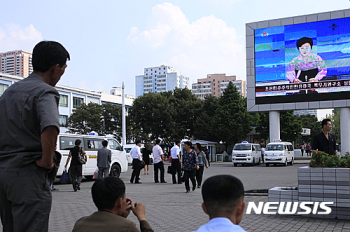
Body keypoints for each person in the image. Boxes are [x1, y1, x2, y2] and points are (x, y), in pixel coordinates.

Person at [0, 41, 69, 232]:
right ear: (55, 68)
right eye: (63, 69)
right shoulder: (45, 91)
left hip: (4, 174)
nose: (62, 74)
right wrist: (47, 161)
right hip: (28, 175)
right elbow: (50, 127)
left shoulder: (8, 93)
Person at [72, 177, 154, 232]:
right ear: (119, 202)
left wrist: (119, 217)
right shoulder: (128, 227)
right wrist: (142, 217)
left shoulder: (80, 224)